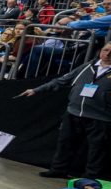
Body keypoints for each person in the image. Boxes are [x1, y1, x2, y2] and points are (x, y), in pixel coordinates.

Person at [21, 43, 111, 179]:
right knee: (65, 143)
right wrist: (36, 90)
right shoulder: (87, 66)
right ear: (100, 51)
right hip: (73, 112)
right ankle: (58, 169)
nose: (108, 54)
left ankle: (91, 178)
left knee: (96, 149)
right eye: (106, 50)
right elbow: (62, 80)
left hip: (100, 117)